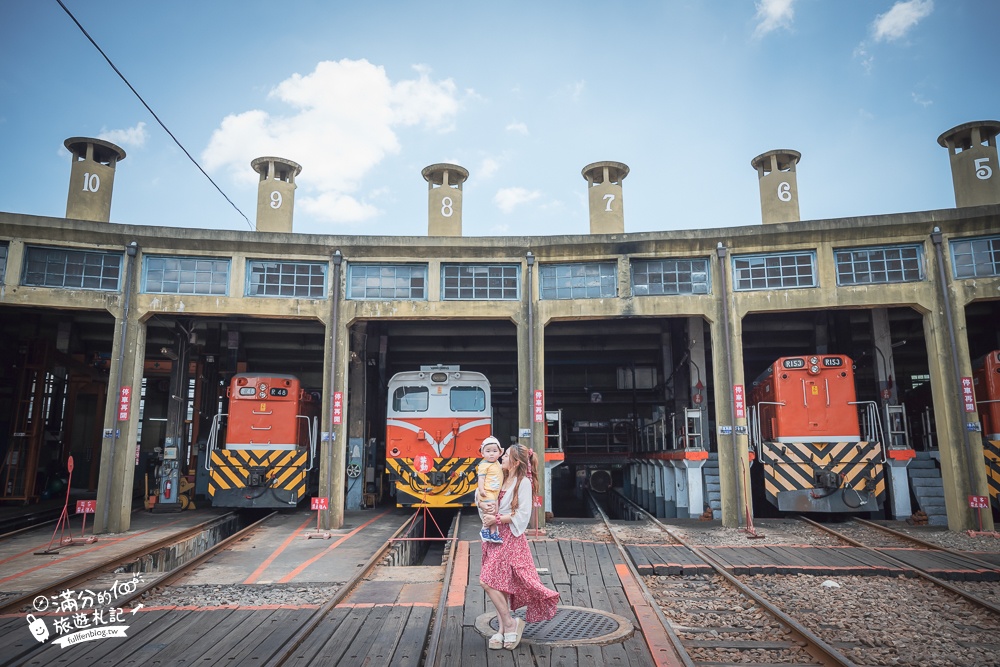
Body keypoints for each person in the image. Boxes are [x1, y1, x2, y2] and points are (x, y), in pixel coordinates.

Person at [478, 442, 559, 650]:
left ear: (514, 462)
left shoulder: (523, 482)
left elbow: (523, 514)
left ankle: (509, 623)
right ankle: (503, 630)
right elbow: (482, 494)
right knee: (500, 583)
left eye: (506, 456)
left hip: (510, 539)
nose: (501, 457)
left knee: (487, 581)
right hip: (493, 537)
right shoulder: (502, 477)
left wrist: (497, 519)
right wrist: (482, 503)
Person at [477, 436, 504, 544]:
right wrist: (481, 490)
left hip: (495, 494)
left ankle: (493, 533)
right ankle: (484, 529)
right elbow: (481, 478)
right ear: (482, 453)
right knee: (490, 511)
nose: (491, 454)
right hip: (487, 492)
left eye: (494, 451)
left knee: (495, 512)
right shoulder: (483, 465)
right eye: (488, 451)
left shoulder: (497, 464)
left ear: (499, 453)